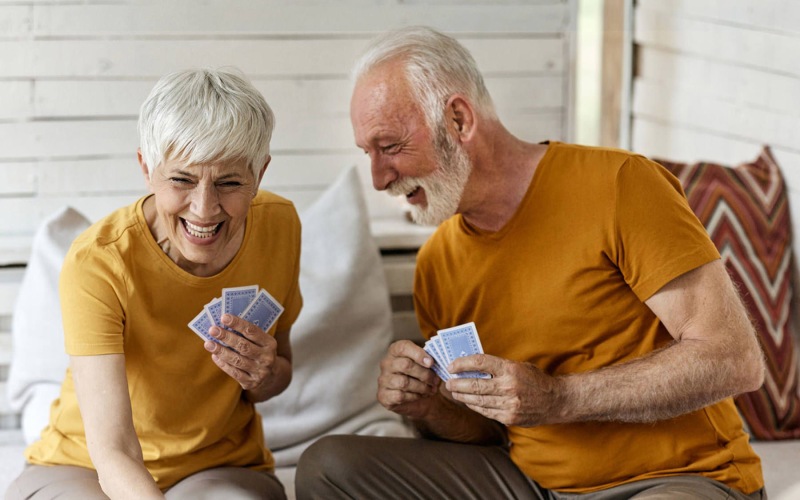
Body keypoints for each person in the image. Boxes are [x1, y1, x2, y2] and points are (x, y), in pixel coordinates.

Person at [296, 26, 767, 499]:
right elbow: (489, 432)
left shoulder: (620, 184)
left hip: (676, 479)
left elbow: (734, 358)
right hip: (528, 484)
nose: (378, 179)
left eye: (391, 146)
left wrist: (560, 398)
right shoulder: (437, 262)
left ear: (458, 119)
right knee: (330, 466)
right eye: (368, 153)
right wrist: (428, 407)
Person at [6, 68, 302, 499]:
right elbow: (114, 450)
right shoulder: (100, 261)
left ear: (259, 173)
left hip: (218, 465)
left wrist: (263, 372)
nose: (204, 209)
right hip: (85, 464)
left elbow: (277, 377)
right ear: (147, 168)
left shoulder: (280, 226)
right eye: (181, 179)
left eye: (230, 182)